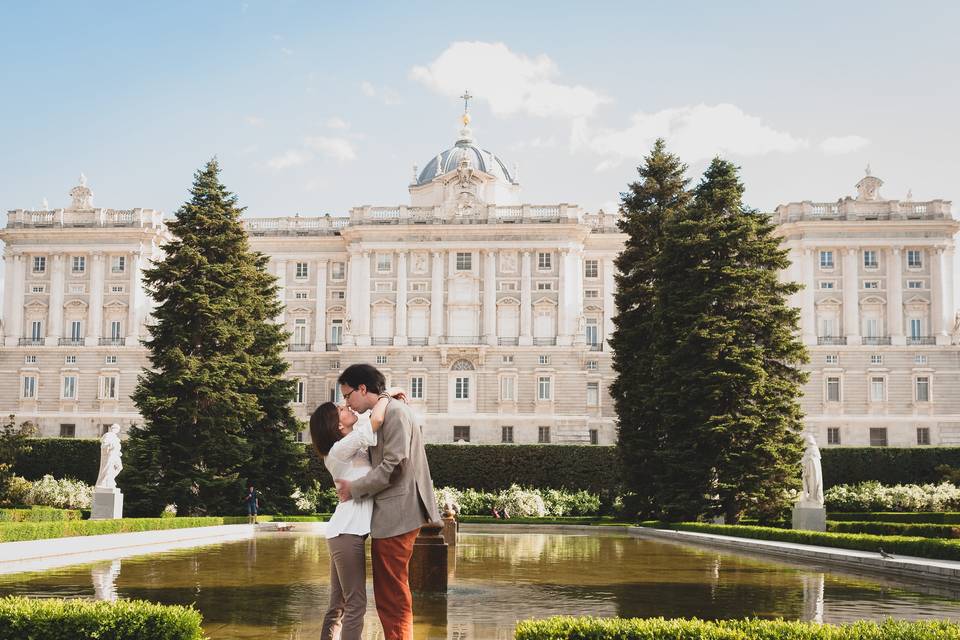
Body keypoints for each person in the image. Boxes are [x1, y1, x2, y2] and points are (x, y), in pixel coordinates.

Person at [335, 364, 440, 640]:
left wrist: (353, 489)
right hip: (395, 514)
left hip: (397, 514)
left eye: (348, 396)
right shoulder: (388, 410)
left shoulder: (394, 412)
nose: (347, 403)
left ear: (362, 388)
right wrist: (386, 395)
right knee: (390, 591)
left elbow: (395, 465)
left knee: (391, 594)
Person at [310, 391, 393, 640]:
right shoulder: (337, 451)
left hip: (344, 532)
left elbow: (369, 418)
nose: (347, 406)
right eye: (342, 409)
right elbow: (375, 421)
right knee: (355, 603)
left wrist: (385, 399)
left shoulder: (350, 445)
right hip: (347, 534)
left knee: (337, 605)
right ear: (337, 424)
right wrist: (386, 396)